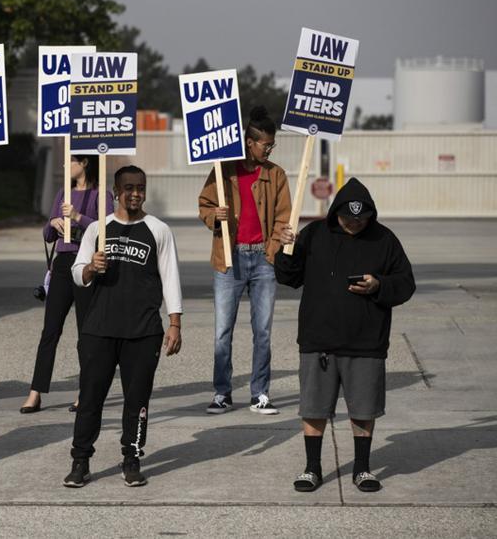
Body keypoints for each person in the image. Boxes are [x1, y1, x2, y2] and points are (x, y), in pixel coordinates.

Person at [275, 178, 415, 493]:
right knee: (313, 407)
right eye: (348, 218)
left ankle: (362, 469)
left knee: (363, 409)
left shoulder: (385, 240)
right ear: (335, 212)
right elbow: (288, 276)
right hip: (318, 340)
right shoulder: (313, 234)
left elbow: (406, 284)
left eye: (361, 218)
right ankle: (312, 468)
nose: (354, 223)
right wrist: (284, 248)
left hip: (366, 342)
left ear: (371, 215)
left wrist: (379, 285)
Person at [63, 165, 183, 488]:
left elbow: (170, 276)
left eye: (140, 187)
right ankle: (81, 460)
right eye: (128, 187)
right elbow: (76, 273)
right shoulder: (97, 229)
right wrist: (90, 267)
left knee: (137, 400)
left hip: (143, 331)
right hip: (99, 328)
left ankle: (132, 457)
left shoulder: (158, 230)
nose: (135, 193)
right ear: (116, 192)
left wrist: (174, 322)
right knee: (91, 397)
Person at [198, 106, 291, 416]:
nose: (270, 149)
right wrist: (215, 216)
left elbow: (283, 216)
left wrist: (273, 248)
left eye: (272, 145)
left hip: (263, 259)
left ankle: (260, 393)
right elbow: (205, 204)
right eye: (266, 144)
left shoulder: (275, 174)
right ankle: (222, 392)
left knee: (262, 331)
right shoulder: (223, 168)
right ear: (250, 141)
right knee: (223, 331)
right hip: (228, 256)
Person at [21, 155, 113, 413]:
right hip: (61, 263)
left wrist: (78, 217)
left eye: (69, 161)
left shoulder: (100, 194)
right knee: (50, 330)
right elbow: (48, 234)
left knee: (86, 332)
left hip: (86, 265)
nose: (63, 166)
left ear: (83, 162)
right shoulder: (64, 192)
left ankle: (85, 391)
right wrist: (53, 222)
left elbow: (106, 228)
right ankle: (35, 392)